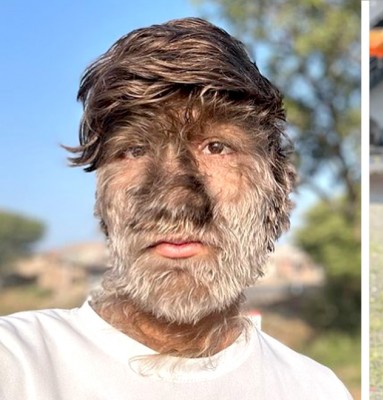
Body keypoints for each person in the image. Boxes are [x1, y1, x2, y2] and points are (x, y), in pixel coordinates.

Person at [0, 18, 351, 400]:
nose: (174, 202)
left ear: (278, 192)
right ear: (102, 202)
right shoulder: (19, 364)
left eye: (216, 147)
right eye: (134, 150)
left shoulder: (317, 388)